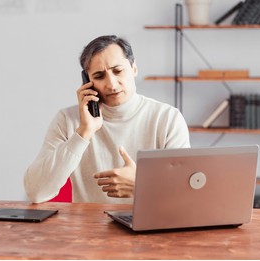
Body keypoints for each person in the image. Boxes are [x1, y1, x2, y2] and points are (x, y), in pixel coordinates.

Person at [24, 35, 190, 204]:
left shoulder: (167, 118)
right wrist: (83, 133)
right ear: (87, 81)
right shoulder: (67, 120)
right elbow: (36, 192)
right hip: (89, 227)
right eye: (99, 76)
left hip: (149, 225)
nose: (111, 84)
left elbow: (187, 192)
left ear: (134, 68)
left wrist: (142, 184)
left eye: (118, 71)